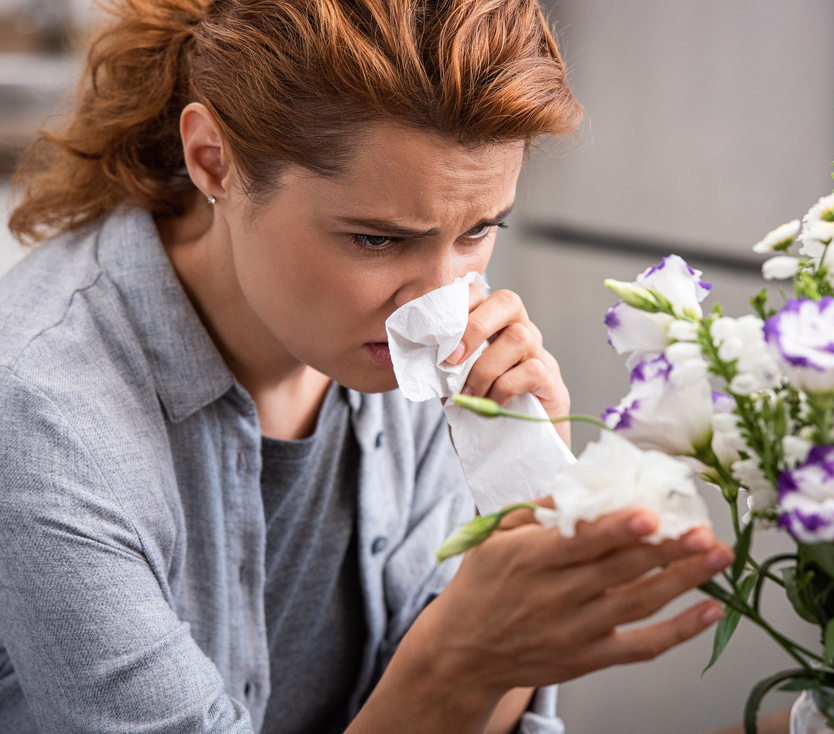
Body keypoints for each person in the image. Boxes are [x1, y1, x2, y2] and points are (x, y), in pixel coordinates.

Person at [0, 1, 734, 732]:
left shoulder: (425, 369)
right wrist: (460, 659)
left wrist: (523, 512)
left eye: (479, 229)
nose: (442, 302)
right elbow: (452, 680)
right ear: (213, 162)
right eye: (377, 242)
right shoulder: (42, 417)